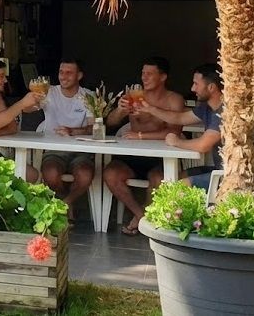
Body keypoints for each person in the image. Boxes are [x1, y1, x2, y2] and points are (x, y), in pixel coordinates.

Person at [103, 56, 185, 235]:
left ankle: (144, 217)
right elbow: (109, 123)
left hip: (160, 156)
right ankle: (141, 216)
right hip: (133, 156)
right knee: (110, 174)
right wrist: (120, 110)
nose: (144, 78)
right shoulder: (134, 96)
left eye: (150, 74)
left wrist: (141, 135)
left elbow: (174, 133)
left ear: (163, 77)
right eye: (143, 73)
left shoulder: (174, 100)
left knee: (159, 179)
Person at [138, 63, 224, 190]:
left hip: (230, 176)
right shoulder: (207, 108)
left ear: (211, 87)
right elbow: (180, 118)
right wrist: (150, 109)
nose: (192, 89)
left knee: (175, 188)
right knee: (172, 179)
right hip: (218, 170)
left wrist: (177, 142)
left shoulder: (224, 112)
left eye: (196, 84)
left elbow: (203, 145)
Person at [35, 59, 95, 219]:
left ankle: (64, 203)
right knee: (51, 173)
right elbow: (29, 108)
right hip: (54, 150)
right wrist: (33, 98)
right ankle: (66, 202)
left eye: (69, 72)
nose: (63, 76)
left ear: (79, 75)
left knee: (85, 174)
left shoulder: (88, 96)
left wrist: (73, 131)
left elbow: (93, 129)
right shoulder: (48, 92)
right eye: (61, 72)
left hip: (80, 150)